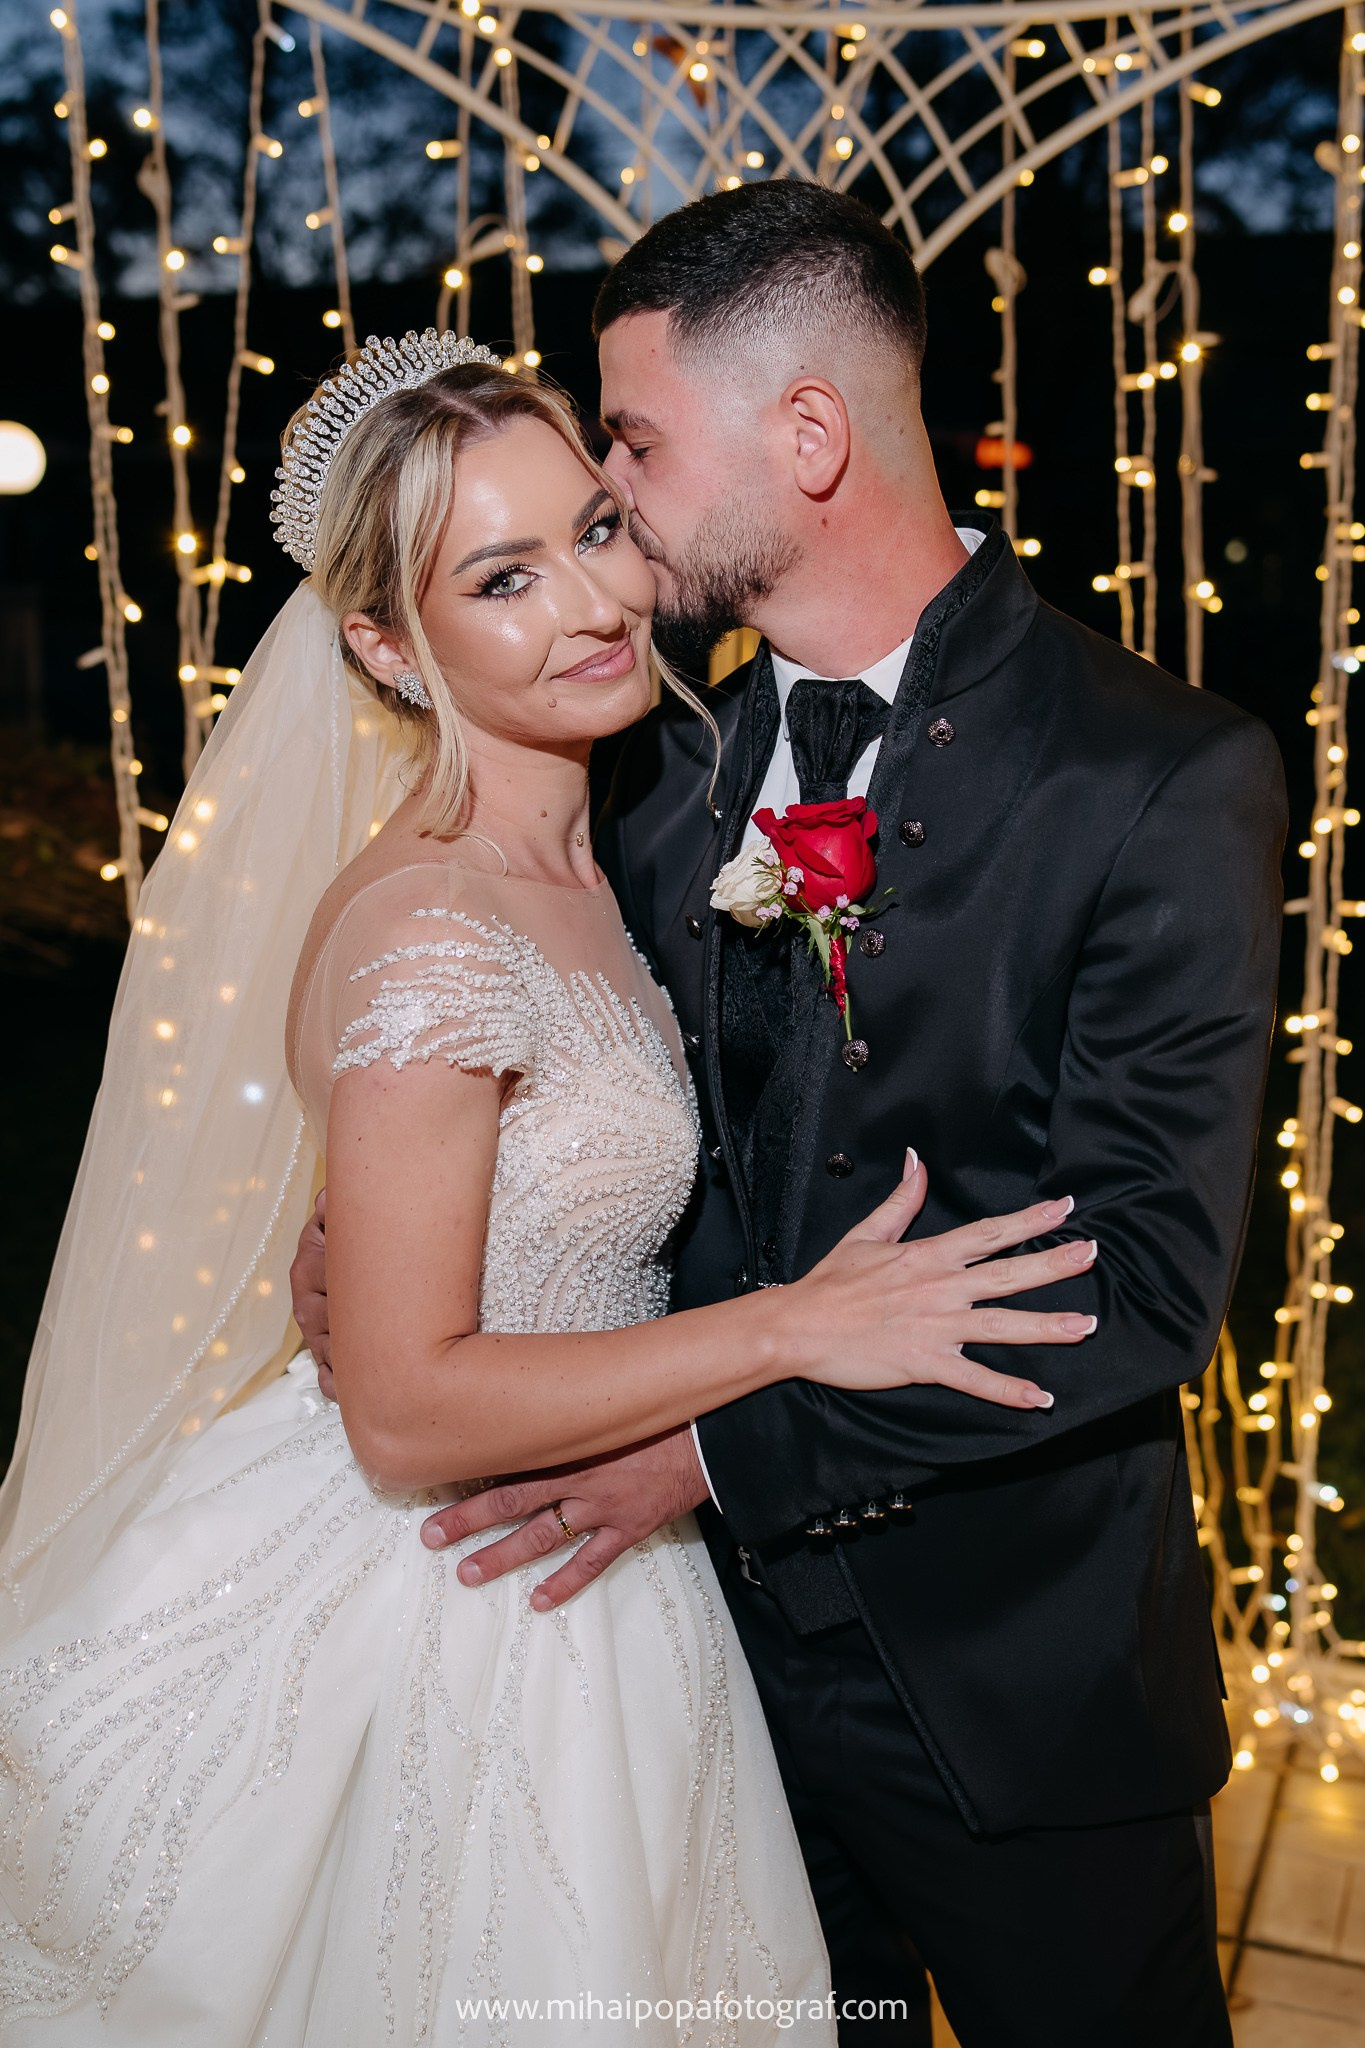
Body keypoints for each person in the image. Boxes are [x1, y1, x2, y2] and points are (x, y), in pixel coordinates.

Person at [0, 332, 1093, 2044]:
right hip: (460, 1592)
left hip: (614, 1552)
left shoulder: (618, 836)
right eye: (501, 578)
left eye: (593, 530)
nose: (591, 605)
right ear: (385, 645)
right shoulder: (434, 929)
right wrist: (795, 1328)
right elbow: (406, 1408)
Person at [336, 183, 1287, 2046]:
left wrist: (710, 1460)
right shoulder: (644, 766)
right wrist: (397, 1247)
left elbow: (1138, 1282)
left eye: (631, 445)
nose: (609, 497)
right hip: (698, 1680)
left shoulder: (1156, 772)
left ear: (807, 435)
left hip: (1017, 1687)